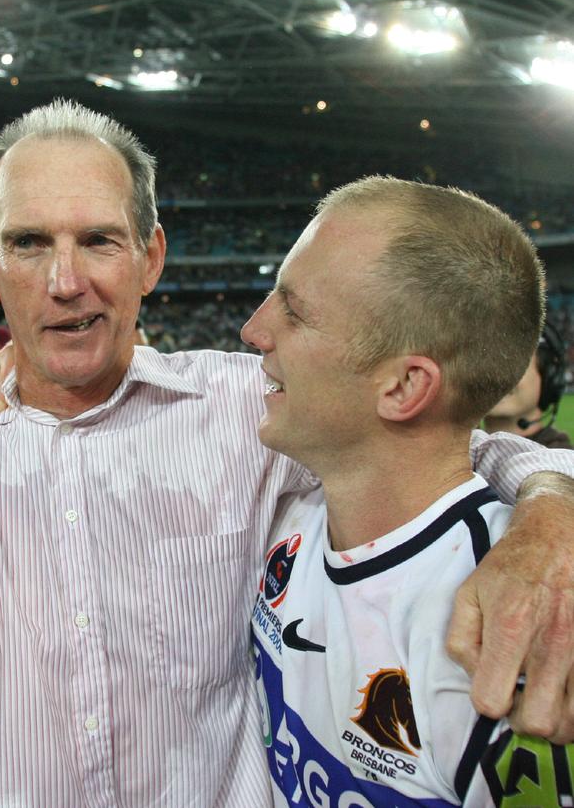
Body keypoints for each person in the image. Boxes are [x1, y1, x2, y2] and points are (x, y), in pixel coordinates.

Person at [0, 99, 574, 807]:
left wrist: (547, 520)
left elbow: (450, 447)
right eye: (27, 243)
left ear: (151, 258)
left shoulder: (252, 410)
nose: (65, 280)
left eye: (100, 240)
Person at [242, 176, 571, 805]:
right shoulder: (289, 507)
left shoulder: (514, 627)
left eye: (294, 310)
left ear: (401, 389)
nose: (254, 330)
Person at [485, 321, 572, 448]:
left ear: (548, 377)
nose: (495, 376)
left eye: (512, 365)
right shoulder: (459, 457)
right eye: (484, 365)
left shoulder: (563, 464)